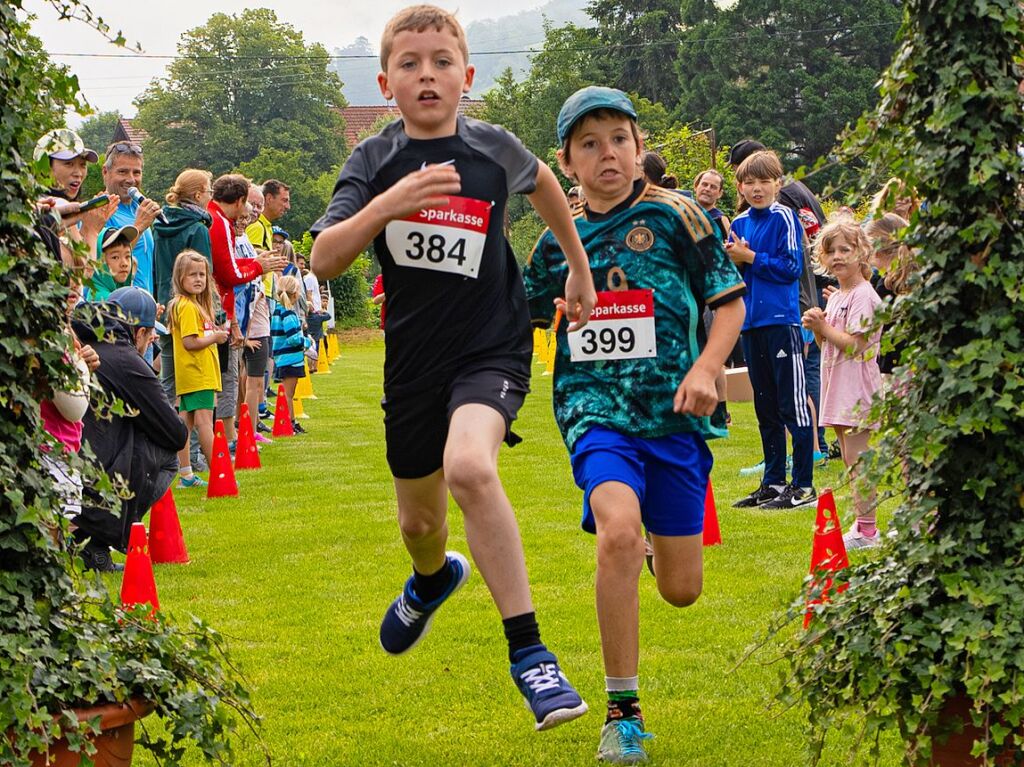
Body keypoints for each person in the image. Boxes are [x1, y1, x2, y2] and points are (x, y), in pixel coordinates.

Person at [310, 4, 597, 731]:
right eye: (410, 64)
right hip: (412, 365)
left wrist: (578, 266)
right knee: (420, 523)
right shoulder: (373, 161)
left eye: (441, 61)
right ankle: (433, 579)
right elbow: (324, 257)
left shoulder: (492, 147)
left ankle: (532, 656)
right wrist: (390, 203)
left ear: (466, 76)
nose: (427, 74)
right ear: (387, 83)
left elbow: (545, 187)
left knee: (471, 467)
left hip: (489, 349)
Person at [523, 86, 745, 763]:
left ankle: (649, 538)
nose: (607, 153)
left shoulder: (680, 217)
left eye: (618, 138)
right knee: (617, 532)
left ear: (640, 147)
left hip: (674, 417)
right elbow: (516, 319)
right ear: (566, 163)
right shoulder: (555, 242)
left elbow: (728, 302)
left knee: (681, 589)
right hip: (595, 412)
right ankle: (623, 712)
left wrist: (707, 368)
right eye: (589, 144)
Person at [70, 287, 187, 569]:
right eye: (150, 333)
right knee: (167, 457)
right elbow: (175, 433)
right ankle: (98, 537)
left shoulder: (84, 342)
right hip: (90, 480)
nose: (154, 339)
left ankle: (85, 533)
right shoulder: (125, 358)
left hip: (70, 468)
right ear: (137, 333)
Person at [728, 150, 817, 510]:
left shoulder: (785, 217)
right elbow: (734, 277)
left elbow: (792, 267)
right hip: (750, 323)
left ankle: (804, 485)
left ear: (778, 184)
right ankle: (774, 481)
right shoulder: (739, 223)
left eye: (764, 181)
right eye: (749, 182)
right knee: (764, 405)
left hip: (782, 321)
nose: (757, 188)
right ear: (740, 186)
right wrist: (733, 261)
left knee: (791, 403)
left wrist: (750, 258)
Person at [801, 221, 883, 548]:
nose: (837, 257)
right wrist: (819, 329)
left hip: (857, 386)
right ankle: (863, 525)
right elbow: (829, 347)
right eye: (830, 250)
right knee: (851, 459)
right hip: (838, 385)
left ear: (861, 253)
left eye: (845, 250)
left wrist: (823, 325)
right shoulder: (838, 296)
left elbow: (857, 346)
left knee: (860, 459)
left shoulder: (863, 295)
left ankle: (868, 530)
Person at [208, 174, 286, 448]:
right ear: (240, 201)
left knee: (227, 379)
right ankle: (227, 437)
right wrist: (258, 267)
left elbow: (229, 264)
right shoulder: (219, 223)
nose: (252, 212)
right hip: (223, 315)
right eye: (250, 204)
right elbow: (228, 273)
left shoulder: (219, 221)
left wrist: (253, 261)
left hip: (228, 315)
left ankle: (226, 435)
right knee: (226, 380)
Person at [168, 249, 228, 488]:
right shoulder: (188, 307)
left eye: (202, 274)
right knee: (205, 422)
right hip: (198, 375)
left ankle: (186, 475)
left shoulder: (186, 305)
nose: (199, 279)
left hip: (191, 376)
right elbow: (190, 342)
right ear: (179, 278)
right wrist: (215, 337)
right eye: (192, 274)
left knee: (187, 423)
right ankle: (219, 475)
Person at [100, 142, 162, 294]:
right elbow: (99, 265)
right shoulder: (100, 210)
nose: (131, 179)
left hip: (143, 307)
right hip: (115, 306)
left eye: (136, 172)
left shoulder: (139, 209)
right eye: (122, 172)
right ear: (105, 172)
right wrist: (139, 227)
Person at [270, 275, 310, 434]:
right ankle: (289, 422)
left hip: (282, 357)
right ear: (295, 294)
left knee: (288, 393)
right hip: (291, 358)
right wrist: (307, 342)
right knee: (288, 394)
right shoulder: (288, 313)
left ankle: (291, 421)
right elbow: (294, 338)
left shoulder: (278, 311)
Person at [90, 225, 137, 300]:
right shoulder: (106, 300)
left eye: (127, 256)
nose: (124, 263)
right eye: (115, 257)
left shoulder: (118, 296)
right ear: (99, 261)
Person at [693, 169, 731, 242]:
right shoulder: (682, 213)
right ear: (696, 186)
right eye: (704, 184)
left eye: (713, 187)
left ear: (720, 193)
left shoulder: (721, 220)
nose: (707, 189)